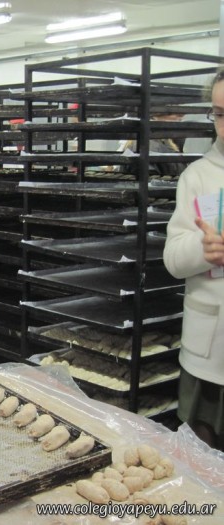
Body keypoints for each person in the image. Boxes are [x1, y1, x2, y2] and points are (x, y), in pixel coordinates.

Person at [163, 69, 224, 452]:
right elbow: (173, 258)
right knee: (202, 458)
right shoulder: (199, 176)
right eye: (219, 114)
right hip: (212, 355)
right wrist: (203, 249)